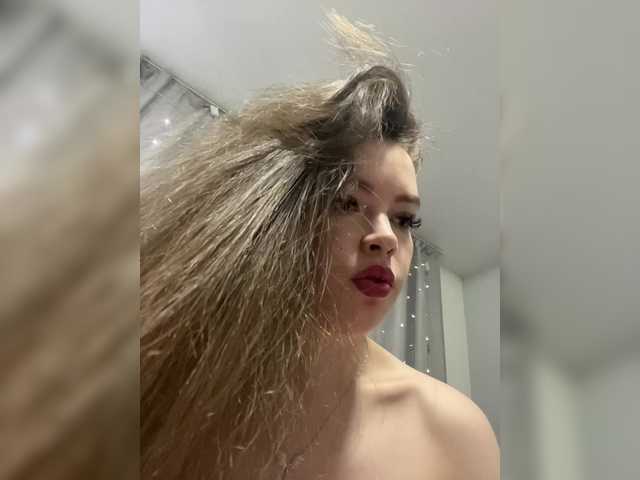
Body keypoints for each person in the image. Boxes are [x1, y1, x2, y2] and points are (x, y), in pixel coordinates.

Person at [140, 11, 499, 480]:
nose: (386, 238)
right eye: (348, 202)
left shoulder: (451, 433)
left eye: (405, 219)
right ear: (275, 212)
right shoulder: (179, 376)